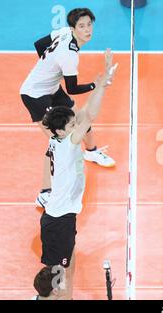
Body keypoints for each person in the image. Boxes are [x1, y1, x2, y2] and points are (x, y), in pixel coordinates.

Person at [35, 49, 117, 300]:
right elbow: (89, 116)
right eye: (71, 126)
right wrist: (101, 86)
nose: (77, 128)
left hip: (61, 216)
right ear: (61, 131)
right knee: (60, 274)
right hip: (59, 219)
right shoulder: (68, 142)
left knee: (65, 268)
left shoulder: (59, 138)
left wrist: (101, 84)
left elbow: (84, 115)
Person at [20, 8, 115, 208]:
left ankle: (91, 151)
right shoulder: (69, 55)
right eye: (82, 26)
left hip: (52, 88)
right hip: (35, 94)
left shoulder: (63, 32)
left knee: (77, 117)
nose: (87, 30)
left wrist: (49, 68)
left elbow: (39, 44)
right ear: (74, 28)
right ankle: (44, 192)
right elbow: (72, 87)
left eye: (89, 24)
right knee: (57, 141)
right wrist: (95, 85)